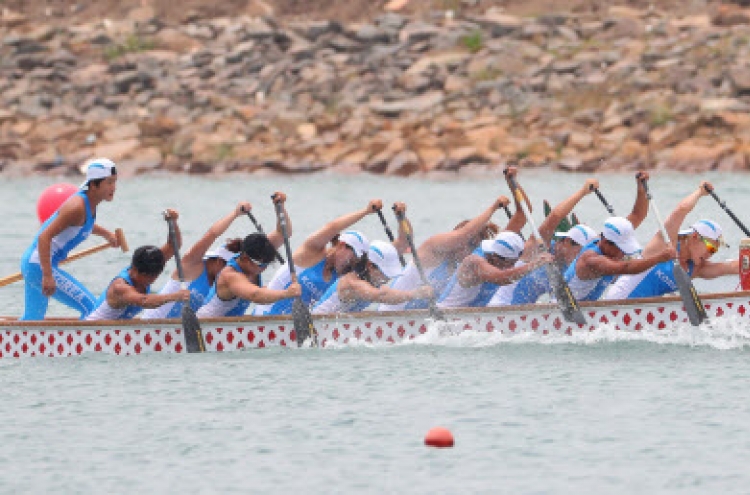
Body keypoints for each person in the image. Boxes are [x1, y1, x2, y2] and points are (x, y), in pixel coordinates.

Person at [377, 167, 532, 311]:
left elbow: (523, 215)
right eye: (468, 243)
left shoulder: (481, 257)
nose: (468, 249)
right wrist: (494, 207)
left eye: (474, 246)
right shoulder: (433, 251)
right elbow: (464, 235)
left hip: (429, 320)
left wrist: (512, 182)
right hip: (393, 315)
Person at [141, 195, 290, 318]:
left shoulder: (253, 262)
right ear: (217, 259)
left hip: (196, 325)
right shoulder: (193, 265)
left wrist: (280, 206)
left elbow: (283, 234)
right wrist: (235, 214)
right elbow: (212, 234)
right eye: (226, 263)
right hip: (156, 322)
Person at [20, 157, 120, 320]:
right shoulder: (76, 206)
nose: (113, 188)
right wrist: (47, 275)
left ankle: (13, 344)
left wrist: (107, 234)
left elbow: (83, 225)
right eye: (109, 182)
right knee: (92, 309)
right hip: (39, 265)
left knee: (32, 319)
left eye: (115, 182)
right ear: (94, 185)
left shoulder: (87, 204)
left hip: (33, 264)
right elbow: (44, 237)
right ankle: (87, 345)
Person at [605, 181, 738, 300]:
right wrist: (700, 192)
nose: (711, 254)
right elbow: (680, 210)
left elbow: (730, 267)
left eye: (715, 251)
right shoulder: (665, 243)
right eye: (711, 248)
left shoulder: (696, 269)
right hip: (617, 302)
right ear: (695, 237)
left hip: (644, 312)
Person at [253, 199, 382, 316]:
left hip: (297, 326)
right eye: (352, 259)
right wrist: (366, 211)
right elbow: (332, 227)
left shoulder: (344, 276)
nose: (351, 265)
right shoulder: (312, 252)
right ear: (342, 246)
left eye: (356, 262)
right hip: (264, 316)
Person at [563, 172, 675, 301]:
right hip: (564, 312)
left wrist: (641, 187)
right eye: (621, 248)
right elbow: (626, 267)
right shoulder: (592, 260)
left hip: (585, 310)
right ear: (605, 242)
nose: (623, 253)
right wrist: (660, 257)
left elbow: (638, 215)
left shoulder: (608, 237)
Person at [488, 178, 599, 306]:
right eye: (582, 250)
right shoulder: (538, 247)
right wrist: (583, 192)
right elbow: (555, 217)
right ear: (567, 242)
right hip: (500, 309)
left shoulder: (569, 270)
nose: (584, 256)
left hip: (526, 316)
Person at [86, 209, 190, 321]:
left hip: (117, 331)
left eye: (154, 276)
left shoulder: (151, 264)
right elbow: (143, 301)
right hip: (95, 332)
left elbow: (173, 245)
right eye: (148, 277)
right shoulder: (120, 287)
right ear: (135, 270)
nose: (151, 281)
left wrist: (173, 222)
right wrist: (175, 296)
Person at [436, 231, 553, 308]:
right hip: (444, 316)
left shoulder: (496, 254)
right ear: (497, 257)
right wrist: (534, 264)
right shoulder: (474, 262)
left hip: (468, 317)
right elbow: (501, 278)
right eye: (510, 264)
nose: (512, 268)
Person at [313, 240, 434, 314]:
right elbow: (382, 295)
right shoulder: (352, 283)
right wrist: (415, 294)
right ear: (370, 265)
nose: (387, 279)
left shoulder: (368, 280)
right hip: (315, 328)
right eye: (385, 274)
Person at [196, 233, 301, 317]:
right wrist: (286, 293)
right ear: (246, 259)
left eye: (267, 264)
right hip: (204, 326)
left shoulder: (254, 257)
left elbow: (283, 233)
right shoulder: (231, 275)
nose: (264, 269)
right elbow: (255, 295)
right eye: (261, 265)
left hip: (228, 326)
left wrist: (279, 207)